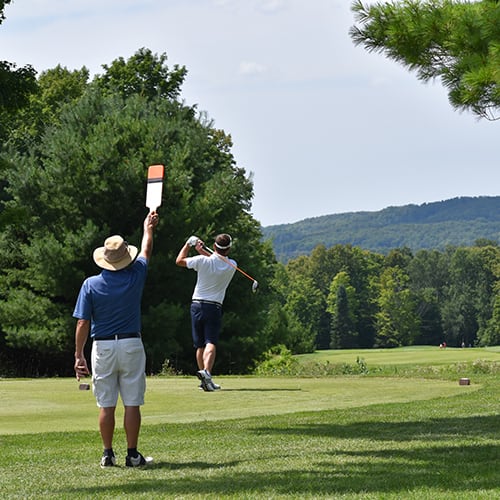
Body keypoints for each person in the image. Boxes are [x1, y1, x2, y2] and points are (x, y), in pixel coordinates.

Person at [73, 211, 159, 468]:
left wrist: (78, 354)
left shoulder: (90, 284)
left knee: (106, 403)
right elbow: (146, 249)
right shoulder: (136, 275)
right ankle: (132, 454)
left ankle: (107, 454)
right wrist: (148, 227)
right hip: (131, 343)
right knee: (132, 402)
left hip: (103, 345)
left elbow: (82, 322)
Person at [175, 233, 236, 391]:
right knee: (211, 342)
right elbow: (216, 261)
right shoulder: (232, 265)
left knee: (200, 345)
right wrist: (202, 250)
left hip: (196, 305)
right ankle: (207, 375)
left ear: (214, 246)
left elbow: (179, 261)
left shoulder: (202, 261)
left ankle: (205, 380)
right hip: (214, 307)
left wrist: (189, 244)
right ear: (228, 249)